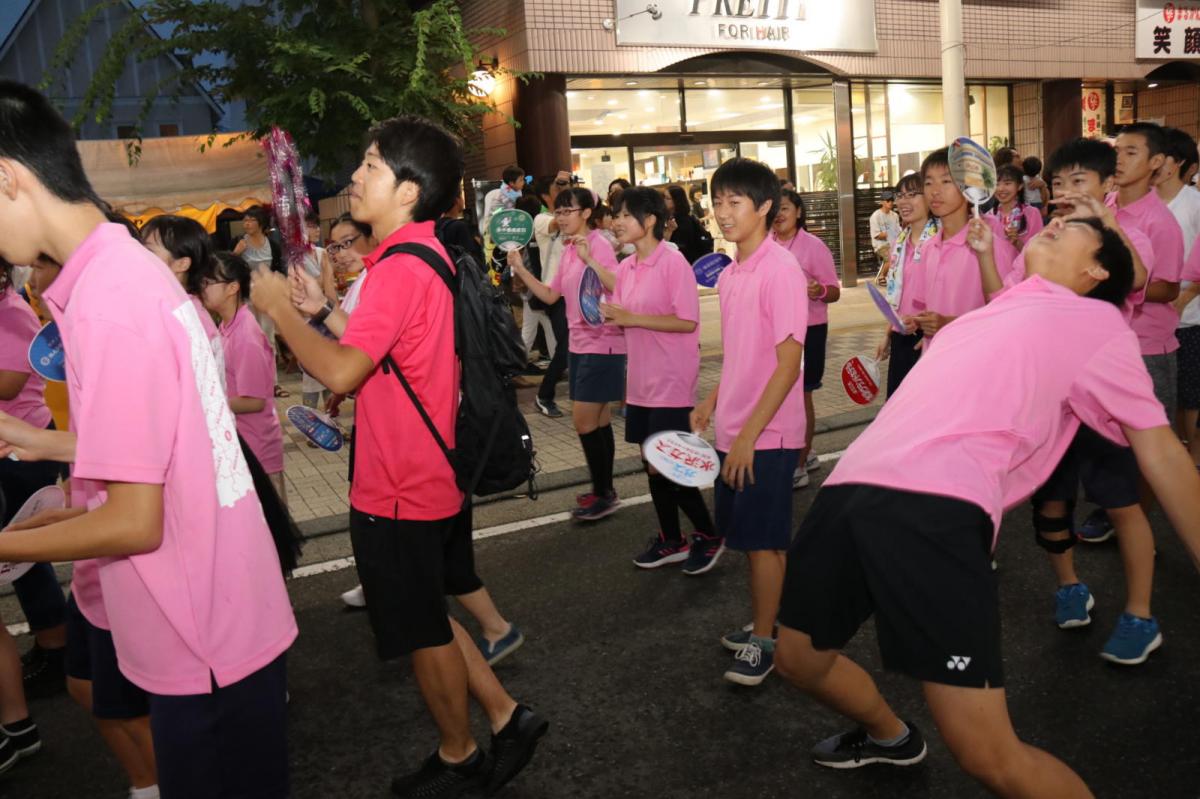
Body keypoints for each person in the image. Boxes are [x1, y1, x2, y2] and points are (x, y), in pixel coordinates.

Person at [773, 213, 1200, 798]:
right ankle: (890, 736)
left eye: (1078, 226)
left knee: (988, 756)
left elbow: (1164, 453)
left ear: (1098, 270)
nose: (1057, 220)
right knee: (797, 658)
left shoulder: (1099, 324)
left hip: (935, 506)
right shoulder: (993, 311)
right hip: (851, 487)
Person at [0, 80, 296, 798]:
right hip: (209, 621)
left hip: (201, 637)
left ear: (7, 178)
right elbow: (153, 467)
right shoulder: (119, 276)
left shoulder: (110, 300)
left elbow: (136, 521)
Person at [249, 114, 547, 797]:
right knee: (430, 613)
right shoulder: (420, 255)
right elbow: (384, 352)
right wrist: (321, 311)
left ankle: (459, 755)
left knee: (422, 632)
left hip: (398, 484)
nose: (355, 176)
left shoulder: (396, 270)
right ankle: (507, 714)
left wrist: (281, 311)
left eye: (371, 166)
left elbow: (344, 371)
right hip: (430, 471)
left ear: (409, 191)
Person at [975, 142, 1164, 664]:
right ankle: (1069, 586)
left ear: (1108, 185)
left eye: (1079, 181)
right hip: (1050, 399)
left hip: (1103, 403)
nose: (1065, 192)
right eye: (1059, 183)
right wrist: (987, 253)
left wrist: (1105, 222)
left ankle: (1140, 614)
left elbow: (1139, 279)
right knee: (1051, 504)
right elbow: (1002, 300)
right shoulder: (1047, 240)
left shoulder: (1126, 237)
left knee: (1122, 506)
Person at [690, 158, 807, 687]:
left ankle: (764, 641)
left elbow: (787, 365)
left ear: (764, 207)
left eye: (734, 202)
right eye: (717, 201)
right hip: (737, 426)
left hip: (767, 434)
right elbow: (744, 355)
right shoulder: (732, 272)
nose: (722, 212)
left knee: (763, 543)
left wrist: (748, 438)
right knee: (757, 539)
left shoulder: (781, 271)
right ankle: (768, 621)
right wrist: (712, 401)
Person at [598, 187, 722, 572]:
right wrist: (607, 314)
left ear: (649, 220)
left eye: (624, 215)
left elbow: (687, 322)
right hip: (641, 381)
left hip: (671, 378)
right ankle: (672, 539)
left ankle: (708, 534)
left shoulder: (673, 262)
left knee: (666, 463)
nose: (616, 222)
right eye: (615, 215)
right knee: (650, 461)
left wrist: (630, 318)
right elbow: (623, 315)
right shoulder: (627, 267)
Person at [1078, 122, 1186, 540]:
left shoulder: (1160, 222)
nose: (1118, 159)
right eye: (1116, 151)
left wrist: (1112, 283)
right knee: (1107, 438)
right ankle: (1116, 510)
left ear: (1156, 162)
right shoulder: (1102, 205)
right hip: (1102, 343)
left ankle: (1137, 525)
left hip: (1147, 346)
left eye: (1131, 152)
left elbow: (1169, 288)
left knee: (1147, 445)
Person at [510, 187, 626, 522]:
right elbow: (549, 295)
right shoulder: (569, 248)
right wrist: (520, 268)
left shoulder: (597, 245)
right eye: (558, 212)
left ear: (586, 213)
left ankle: (603, 494)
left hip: (602, 344)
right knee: (598, 421)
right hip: (579, 343)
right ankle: (604, 490)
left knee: (584, 421)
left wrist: (590, 258)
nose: (560, 218)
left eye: (567, 211)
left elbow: (618, 285)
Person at [0, 260, 45, 775]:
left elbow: (11, 385)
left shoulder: (12, 313)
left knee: (28, 555)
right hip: (22, 443)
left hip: (21, 446)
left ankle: (54, 642)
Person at [198, 252, 287, 504]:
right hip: (243, 444)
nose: (202, 287)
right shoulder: (227, 326)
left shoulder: (246, 336)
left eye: (208, 282)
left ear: (232, 288)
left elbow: (254, 401)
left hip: (257, 449)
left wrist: (206, 403)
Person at [909, 147, 1018, 341]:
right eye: (928, 182)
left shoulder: (994, 249)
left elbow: (1006, 316)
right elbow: (925, 307)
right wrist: (916, 322)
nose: (935, 191)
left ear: (970, 187)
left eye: (946, 181)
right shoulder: (928, 248)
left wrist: (948, 323)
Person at [771, 188, 839, 488]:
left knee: (802, 394)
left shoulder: (813, 246)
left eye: (785, 208)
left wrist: (819, 291)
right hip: (777, 330)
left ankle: (798, 465)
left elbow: (833, 291)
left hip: (809, 330)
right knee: (781, 394)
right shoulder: (766, 244)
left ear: (798, 212)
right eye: (775, 209)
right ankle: (805, 451)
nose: (779, 215)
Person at [1156, 128, 1200, 446]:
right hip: (1152, 318)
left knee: (1191, 392)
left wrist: (1187, 296)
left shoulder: (1194, 203)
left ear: (1177, 164)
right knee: (1165, 393)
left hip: (1190, 315)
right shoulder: (1142, 204)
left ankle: (1193, 455)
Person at [875, 174, 937, 397]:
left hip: (931, 335)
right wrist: (887, 335)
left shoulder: (941, 241)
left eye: (912, 194)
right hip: (901, 334)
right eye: (900, 196)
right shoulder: (899, 243)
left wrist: (923, 325)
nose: (903, 201)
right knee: (897, 404)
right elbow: (897, 297)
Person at [530, 172, 574, 418]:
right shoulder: (541, 219)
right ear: (545, 195)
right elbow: (557, 223)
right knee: (566, 347)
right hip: (555, 294)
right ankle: (544, 395)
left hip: (576, 291)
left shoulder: (573, 215)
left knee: (575, 345)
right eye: (558, 187)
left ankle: (578, 393)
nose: (564, 191)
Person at [233, 205, 287, 398]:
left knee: (268, 339)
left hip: (267, 297)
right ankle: (251, 383)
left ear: (261, 223)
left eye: (251, 220)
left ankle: (273, 383)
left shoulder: (272, 245)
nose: (246, 223)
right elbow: (228, 269)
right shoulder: (239, 242)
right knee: (248, 339)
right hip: (246, 299)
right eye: (245, 220)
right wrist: (235, 253)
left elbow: (280, 270)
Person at [513, 194, 557, 373]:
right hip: (538, 287)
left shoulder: (520, 232)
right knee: (547, 326)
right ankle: (557, 363)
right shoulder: (538, 230)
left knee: (532, 328)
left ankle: (516, 364)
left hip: (528, 288)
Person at [986, 164, 1043, 251]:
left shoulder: (1031, 213)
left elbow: (1038, 251)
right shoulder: (989, 216)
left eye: (1007, 183)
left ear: (1020, 186)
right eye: (997, 184)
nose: (1001, 189)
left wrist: (1017, 242)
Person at [664, 184, 711, 264]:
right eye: (664, 197)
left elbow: (681, 247)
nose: (664, 200)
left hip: (686, 263)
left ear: (676, 200)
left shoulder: (683, 221)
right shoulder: (669, 218)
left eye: (667, 198)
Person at [479, 165, 525, 238]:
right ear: (511, 183)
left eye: (523, 179)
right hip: (495, 227)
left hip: (503, 224)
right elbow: (513, 213)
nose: (523, 182)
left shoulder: (514, 192)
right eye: (521, 180)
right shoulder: (504, 195)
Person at [869, 190, 900, 273]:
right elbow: (877, 235)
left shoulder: (895, 215)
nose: (890, 202)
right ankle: (882, 277)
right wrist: (892, 233)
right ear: (882, 202)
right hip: (881, 245)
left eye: (892, 200)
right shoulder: (875, 216)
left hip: (894, 244)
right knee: (891, 257)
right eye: (888, 200)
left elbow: (898, 231)